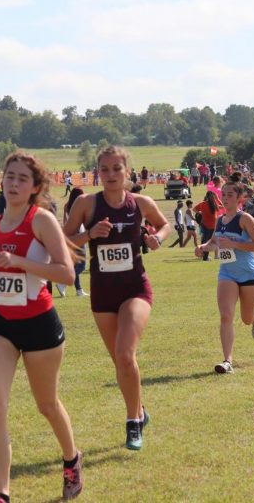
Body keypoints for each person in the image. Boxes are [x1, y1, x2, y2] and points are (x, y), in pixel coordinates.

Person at [0, 152, 83, 502]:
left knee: (47, 404)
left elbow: (67, 273)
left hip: (39, 324)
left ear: (35, 187)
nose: (13, 183)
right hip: (0, 321)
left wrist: (20, 262)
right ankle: (1, 494)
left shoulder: (42, 221)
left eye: (22, 178)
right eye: (9, 176)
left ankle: (71, 459)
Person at [63, 146, 170, 451]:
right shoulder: (86, 204)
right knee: (121, 363)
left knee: (125, 355)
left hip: (135, 288)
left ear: (127, 171)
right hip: (102, 292)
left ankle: (133, 422)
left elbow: (164, 225)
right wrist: (89, 235)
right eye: (104, 169)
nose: (110, 175)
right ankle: (141, 410)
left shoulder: (140, 203)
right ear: (98, 172)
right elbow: (63, 239)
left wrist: (156, 239)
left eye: (116, 169)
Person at [194, 181, 254, 374]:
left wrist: (235, 244)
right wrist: (203, 247)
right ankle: (227, 362)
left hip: (249, 274)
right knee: (226, 316)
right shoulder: (220, 220)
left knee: (247, 318)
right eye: (223, 195)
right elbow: (215, 241)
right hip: (227, 274)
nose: (225, 198)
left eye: (229, 195)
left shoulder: (245, 219)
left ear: (239, 198)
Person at [195, 190, 223, 262]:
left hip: (205, 225)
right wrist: (217, 198)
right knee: (209, 242)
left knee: (205, 240)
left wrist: (200, 212)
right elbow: (223, 206)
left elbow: (194, 209)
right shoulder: (214, 204)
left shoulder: (203, 204)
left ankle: (202, 255)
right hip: (213, 226)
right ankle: (205, 257)